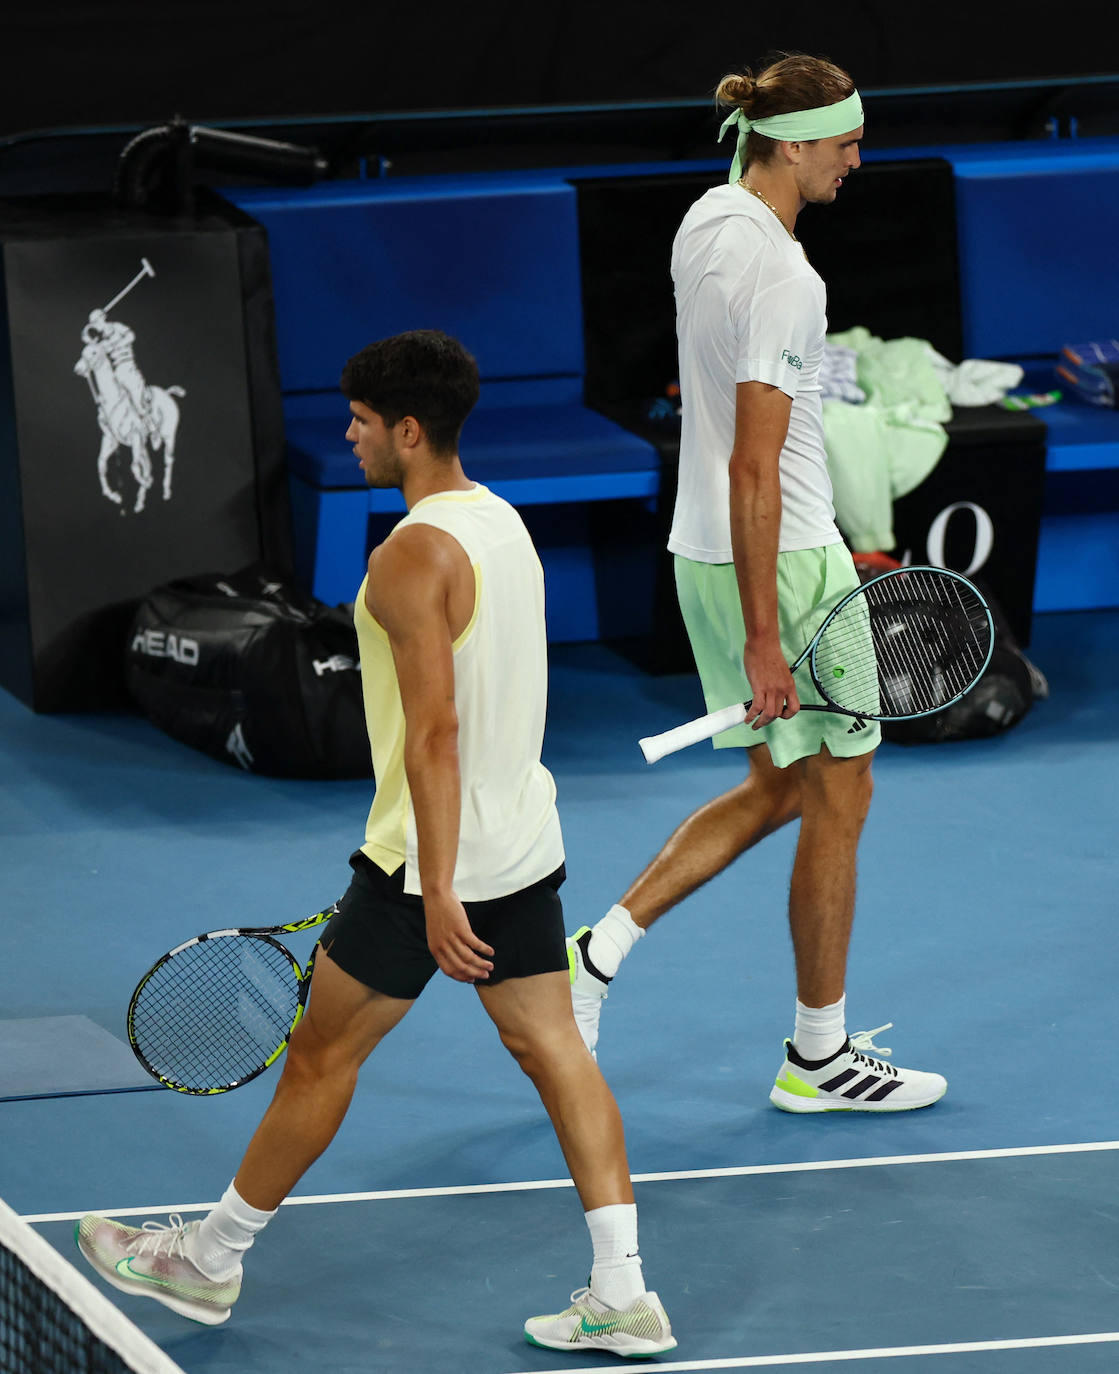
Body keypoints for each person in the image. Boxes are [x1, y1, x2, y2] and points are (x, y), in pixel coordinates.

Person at [77, 330, 676, 1358]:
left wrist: (436, 887)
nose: (346, 436)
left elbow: (435, 730)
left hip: (425, 864)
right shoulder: (502, 525)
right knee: (554, 1049)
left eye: (360, 421)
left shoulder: (409, 556)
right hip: (525, 838)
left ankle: (208, 1261)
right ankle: (623, 1290)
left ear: (408, 431)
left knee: (320, 1053)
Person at [568, 55, 947, 1114]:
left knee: (787, 785)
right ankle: (818, 1058)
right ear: (791, 143)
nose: (857, 161)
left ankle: (593, 955)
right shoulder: (788, 278)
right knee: (844, 792)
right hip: (782, 562)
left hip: (706, 551)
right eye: (844, 142)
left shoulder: (707, 219)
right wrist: (768, 639)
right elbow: (754, 464)